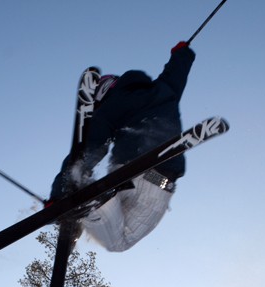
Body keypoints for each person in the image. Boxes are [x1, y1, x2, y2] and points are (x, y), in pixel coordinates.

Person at [50, 41, 196, 252]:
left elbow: (88, 149)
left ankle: (86, 205)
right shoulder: (164, 90)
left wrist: (60, 191)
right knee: (114, 234)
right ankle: (83, 211)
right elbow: (176, 73)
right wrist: (182, 53)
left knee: (117, 238)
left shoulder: (109, 108)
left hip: (124, 176)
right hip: (156, 178)